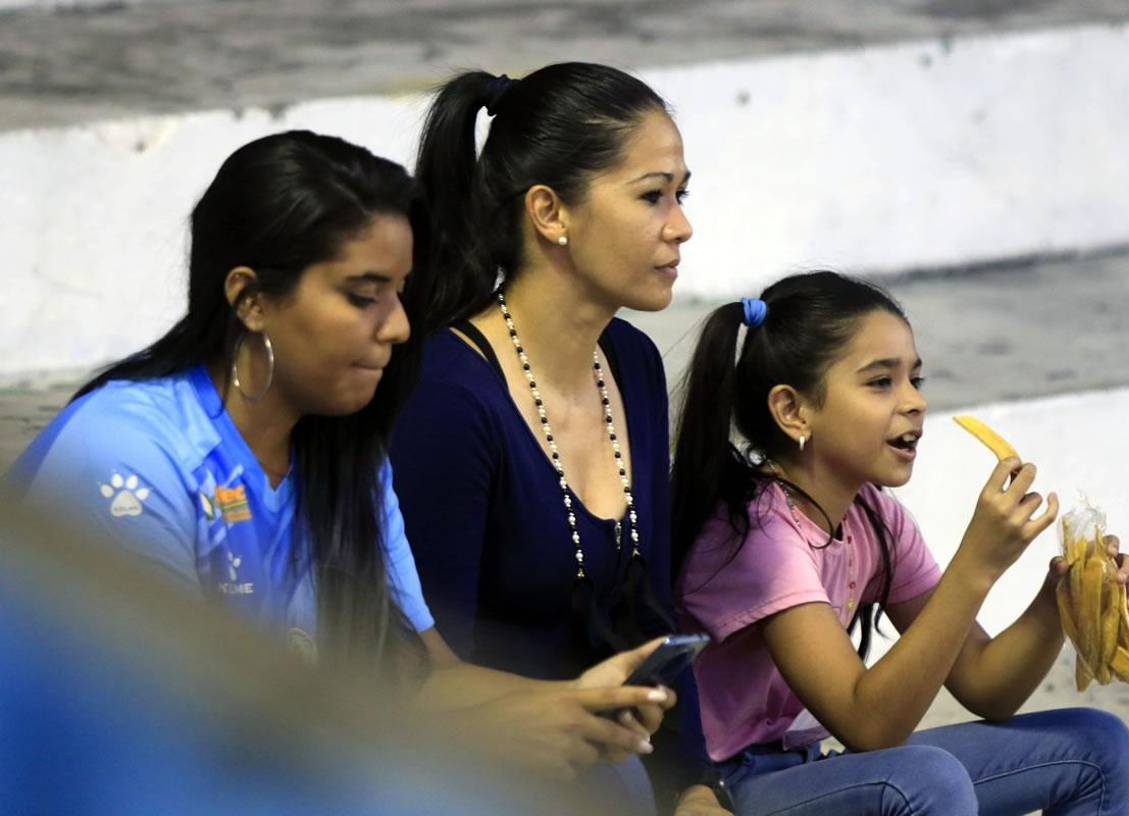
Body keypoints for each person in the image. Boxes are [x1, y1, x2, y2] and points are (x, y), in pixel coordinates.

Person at [7, 129, 676, 787]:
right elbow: (163, 738)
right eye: (363, 296)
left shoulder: (344, 452)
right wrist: (486, 735)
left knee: (609, 772)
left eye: (400, 293)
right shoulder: (127, 453)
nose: (400, 326)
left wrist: (570, 705)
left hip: (267, 769)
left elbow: (424, 675)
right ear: (251, 299)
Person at [670, 271, 1129, 815]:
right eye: (880, 382)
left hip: (810, 770)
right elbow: (870, 725)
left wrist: (1062, 600)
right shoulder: (761, 535)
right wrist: (976, 567)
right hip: (721, 792)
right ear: (794, 410)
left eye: (915, 378)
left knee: (1097, 747)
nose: (914, 401)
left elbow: (986, 684)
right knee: (923, 780)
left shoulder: (874, 516)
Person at [390, 65, 728, 814]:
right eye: (652, 196)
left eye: (682, 195)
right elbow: (419, 675)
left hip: (616, 758)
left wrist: (695, 786)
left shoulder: (631, 362)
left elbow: (653, 620)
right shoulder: (449, 395)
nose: (681, 225)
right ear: (550, 212)